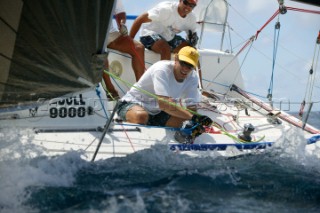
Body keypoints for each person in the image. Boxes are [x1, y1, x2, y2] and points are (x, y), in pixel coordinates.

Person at [117, 46, 212, 141]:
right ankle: (130, 120)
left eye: (190, 66)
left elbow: (191, 107)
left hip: (157, 111)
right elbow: (164, 104)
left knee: (185, 121)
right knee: (141, 116)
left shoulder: (193, 77)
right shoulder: (161, 69)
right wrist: (193, 117)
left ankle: (180, 144)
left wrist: (196, 122)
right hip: (132, 103)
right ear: (176, 59)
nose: (185, 68)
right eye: (183, 63)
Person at [129, 0, 199, 60]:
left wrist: (193, 40)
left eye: (192, 5)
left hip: (168, 38)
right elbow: (140, 19)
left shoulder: (192, 18)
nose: (188, 7)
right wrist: (129, 41)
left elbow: (193, 36)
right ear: (180, 0)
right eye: (186, 2)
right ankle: (164, 74)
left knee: (192, 52)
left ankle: (191, 74)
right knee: (165, 48)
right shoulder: (166, 9)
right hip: (149, 33)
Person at [103, 0, 145, 99]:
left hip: (109, 34)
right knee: (101, 53)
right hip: (89, 36)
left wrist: (122, 25)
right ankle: (111, 90)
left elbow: (120, 13)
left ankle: (140, 90)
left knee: (138, 48)